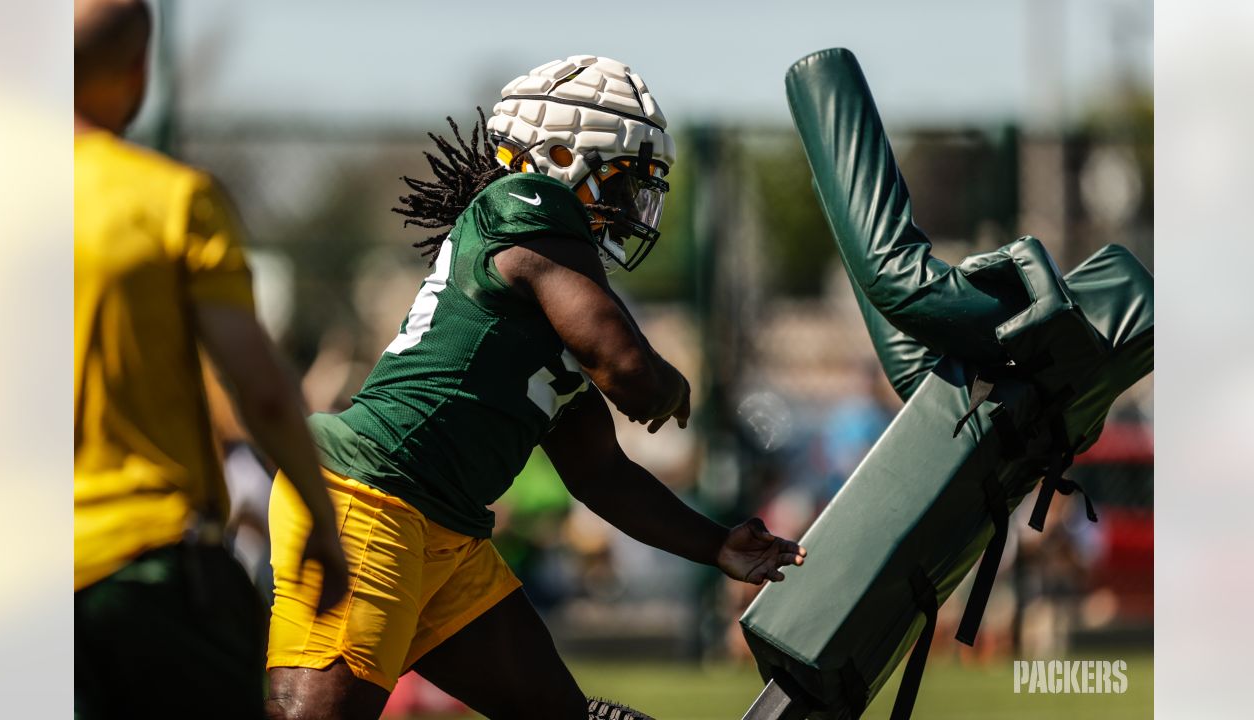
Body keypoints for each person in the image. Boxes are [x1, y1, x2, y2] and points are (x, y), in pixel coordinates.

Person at [265, 55, 807, 720]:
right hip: (369, 497)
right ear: (559, 157)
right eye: (624, 181)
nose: (633, 207)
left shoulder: (544, 305)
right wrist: (671, 382)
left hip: (443, 527)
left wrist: (715, 544)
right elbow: (628, 372)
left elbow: (602, 474)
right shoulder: (524, 203)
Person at [73, 1, 349, 716]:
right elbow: (258, 387)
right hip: (148, 572)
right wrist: (321, 516)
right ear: (137, 74)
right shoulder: (169, 200)